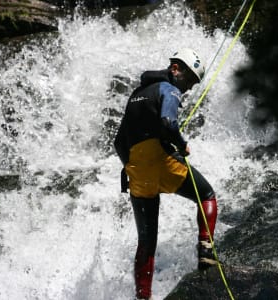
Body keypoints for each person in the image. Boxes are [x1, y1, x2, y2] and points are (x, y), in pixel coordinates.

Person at [114, 48, 218, 300]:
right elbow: (168, 123)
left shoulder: (136, 95)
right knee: (206, 195)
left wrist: (133, 167)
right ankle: (206, 247)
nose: (190, 87)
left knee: (146, 243)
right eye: (190, 80)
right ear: (175, 69)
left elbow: (119, 143)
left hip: (137, 172)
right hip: (164, 161)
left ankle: (143, 296)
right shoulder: (168, 89)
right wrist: (181, 145)